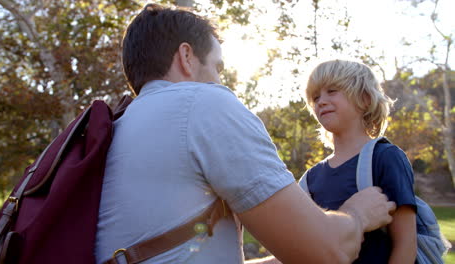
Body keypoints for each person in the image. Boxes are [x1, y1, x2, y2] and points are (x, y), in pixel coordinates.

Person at [94, 5, 396, 264]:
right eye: (218, 67)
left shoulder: (121, 125)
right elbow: (325, 253)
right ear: (186, 57)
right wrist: (358, 215)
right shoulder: (204, 103)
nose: (220, 80)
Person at [300, 59, 417, 263]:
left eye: (332, 91)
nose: (321, 101)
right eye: (315, 97)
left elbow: (406, 244)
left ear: (364, 99)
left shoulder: (385, 157)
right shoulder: (311, 177)